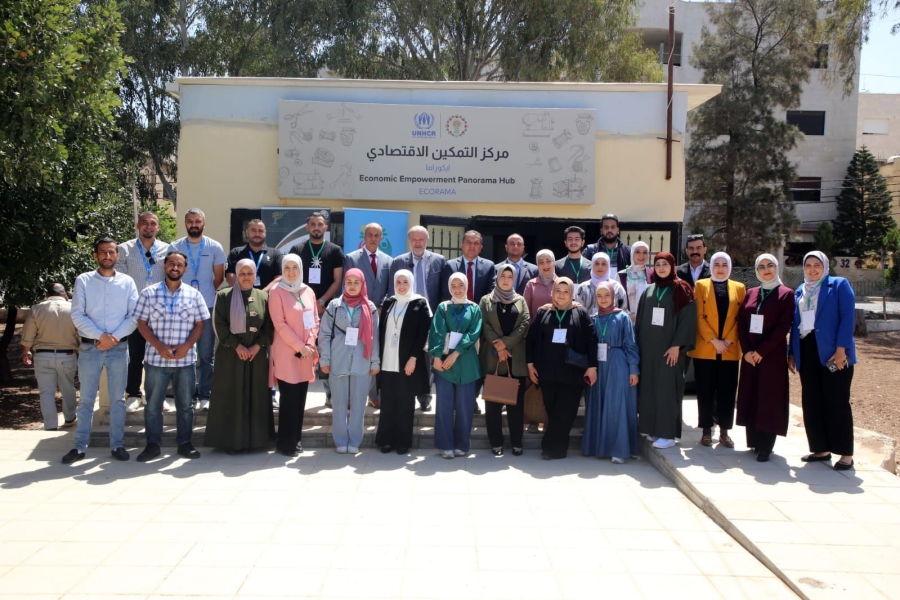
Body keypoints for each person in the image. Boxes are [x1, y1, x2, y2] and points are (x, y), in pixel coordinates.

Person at [62, 238, 139, 464]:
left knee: (118, 400)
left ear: (117, 255)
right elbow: (78, 314)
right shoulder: (84, 280)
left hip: (119, 347)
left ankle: (117, 445)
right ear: (95, 255)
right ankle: (79, 447)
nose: (107, 256)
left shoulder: (127, 282)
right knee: (86, 400)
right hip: (90, 348)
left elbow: (134, 315)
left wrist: (112, 338)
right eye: (103, 252)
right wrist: (100, 336)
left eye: (111, 252)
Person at [134, 251, 208, 462]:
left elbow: (200, 324)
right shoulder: (148, 293)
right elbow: (141, 323)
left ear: (185, 268)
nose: (175, 267)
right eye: (172, 263)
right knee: (153, 406)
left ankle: (185, 443)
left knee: (185, 406)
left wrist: (187, 346)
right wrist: (158, 345)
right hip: (156, 360)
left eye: (180, 264)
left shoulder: (194, 295)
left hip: (185, 361)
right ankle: (153, 445)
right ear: (164, 266)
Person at [788, 251, 857, 471]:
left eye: (817, 265)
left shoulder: (839, 285)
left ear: (825, 266)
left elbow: (848, 317)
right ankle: (821, 449)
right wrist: (792, 352)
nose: (812, 269)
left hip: (833, 352)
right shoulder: (801, 290)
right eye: (808, 265)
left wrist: (841, 349)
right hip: (807, 350)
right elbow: (795, 324)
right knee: (812, 400)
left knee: (837, 401)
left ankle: (846, 454)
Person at [204, 259, 275, 453]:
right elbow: (219, 324)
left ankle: (256, 441)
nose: (246, 277)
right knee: (231, 396)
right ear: (236, 275)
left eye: (249, 273)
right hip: (230, 356)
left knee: (255, 396)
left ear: (255, 275)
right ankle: (230, 442)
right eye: (242, 273)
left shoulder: (264, 297)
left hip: (256, 356)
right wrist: (237, 346)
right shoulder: (223, 295)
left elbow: (269, 326)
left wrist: (257, 346)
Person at [526, 277, 598, 459]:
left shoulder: (580, 312)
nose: (562, 295)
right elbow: (532, 340)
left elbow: (591, 340)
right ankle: (558, 447)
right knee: (552, 409)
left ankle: (551, 448)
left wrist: (592, 366)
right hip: (547, 372)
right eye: (558, 291)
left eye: (566, 292)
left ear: (571, 293)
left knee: (565, 412)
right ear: (552, 292)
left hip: (572, 373)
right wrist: (530, 364)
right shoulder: (543, 312)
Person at [736, 254, 795, 462]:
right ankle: (753, 441)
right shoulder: (751, 292)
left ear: (776, 267)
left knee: (769, 398)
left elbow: (783, 327)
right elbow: (741, 323)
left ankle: (765, 445)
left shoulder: (786, 294)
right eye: (761, 266)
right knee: (751, 394)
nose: (766, 270)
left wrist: (762, 351)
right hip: (750, 356)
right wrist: (746, 351)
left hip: (771, 356)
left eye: (770, 265)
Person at [635, 251, 696, 450]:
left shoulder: (682, 288)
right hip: (649, 350)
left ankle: (667, 434)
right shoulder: (649, 290)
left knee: (667, 390)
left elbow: (688, 320)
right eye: (658, 264)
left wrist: (677, 345)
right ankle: (653, 428)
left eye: (665, 264)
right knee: (650, 389)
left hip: (670, 351)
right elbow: (640, 320)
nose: (661, 268)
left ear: (673, 266)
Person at [170, 208, 227, 412]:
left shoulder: (214, 246)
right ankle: (187, 394)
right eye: (190, 221)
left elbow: (219, 278)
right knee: (183, 352)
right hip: (181, 307)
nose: (194, 224)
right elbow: (170, 273)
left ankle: (205, 394)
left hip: (207, 306)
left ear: (204, 223)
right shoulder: (175, 246)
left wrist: (205, 292)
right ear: (185, 223)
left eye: (198, 221)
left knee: (205, 354)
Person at [318, 268, 380, 454]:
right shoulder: (334, 306)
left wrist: (375, 362)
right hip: (338, 361)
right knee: (338, 404)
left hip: (362, 362)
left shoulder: (370, 307)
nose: (352, 286)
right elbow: (324, 334)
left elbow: (375, 337)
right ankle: (340, 440)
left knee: (359, 405)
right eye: (349, 282)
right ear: (344, 284)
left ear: (362, 284)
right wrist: (325, 359)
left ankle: (354, 440)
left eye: (356, 282)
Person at [688, 252, 746, 449]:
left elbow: (741, 317)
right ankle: (706, 430)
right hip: (706, 348)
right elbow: (698, 316)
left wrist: (727, 340)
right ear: (711, 266)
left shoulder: (739, 288)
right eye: (717, 264)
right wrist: (714, 340)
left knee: (727, 392)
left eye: (724, 265)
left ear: (729, 267)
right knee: (705, 390)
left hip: (729, 348)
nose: (720, 268)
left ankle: (724, 432)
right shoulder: (700, 285)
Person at [116, 211, 171, 414]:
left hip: (159, 313)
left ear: (158, 227)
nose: (149, 227)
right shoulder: (124, 249)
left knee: (158, 356)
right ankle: (133, 394)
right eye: (144, 223)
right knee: (135, 356)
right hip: (134, 312)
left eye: (153, 223)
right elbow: (119, 281)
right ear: (138, 225)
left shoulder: (168, 249)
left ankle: (157, 395)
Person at [388, 225, 446, 412]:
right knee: (406, 354)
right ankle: (405, 394)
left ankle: (425, 396)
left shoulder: (439, 261)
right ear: (409, 241)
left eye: (421, 239)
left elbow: (443, 290)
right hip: (405, 316)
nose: (418, 243)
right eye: (414, 239)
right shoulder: (398, 262)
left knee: (426, 356)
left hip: (430, 315)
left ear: (427, 240)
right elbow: (392, 290)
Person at [289, 211, 344, 408]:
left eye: (320, 224)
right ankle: (297, 391)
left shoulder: (335, 250)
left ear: (325, 227)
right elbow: (291, 278)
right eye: (312, 224)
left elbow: (338, 280)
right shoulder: (297, 249)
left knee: (326, 351)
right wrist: (305, 302)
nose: (316, 228)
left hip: (326, 309)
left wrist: (322, 300)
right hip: (302, 309)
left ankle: (329, 393)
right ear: (307, 227)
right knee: (300, 348)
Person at [582, 282, 640, 463]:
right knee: (598, 403)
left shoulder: (623, 317)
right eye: (599, 296)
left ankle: (619, 450)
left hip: (618, 363)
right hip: (597, 366)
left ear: (614, 296)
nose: (603, 299)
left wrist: (633, 369)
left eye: (607, 295)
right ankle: (597, 446)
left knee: (616, 406)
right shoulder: (593, 318)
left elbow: (631, 344)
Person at [268, 254, 319, 457]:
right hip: (287, 353)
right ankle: (285, 443)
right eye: (287, 268)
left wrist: (310, 343)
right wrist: (300, 346)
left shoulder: (308, 291)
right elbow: (279, 324)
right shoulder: (276, 291)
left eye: (294, 267)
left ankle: (296, 440)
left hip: (305, 353)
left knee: (300, 399)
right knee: (289, 400)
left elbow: (315, 320)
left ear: (300, 269)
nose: (291, 272)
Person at [376, 270, 432, 454]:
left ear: (411, 283)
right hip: (387, 360)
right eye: (398, 282)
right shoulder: (389, 302)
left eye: (405, 282)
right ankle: (385, 440)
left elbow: (422, 333)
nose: (401, 286)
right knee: (387, 402)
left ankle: (402, 442)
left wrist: (413, 358)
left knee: (405, 403)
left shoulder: (419, 303)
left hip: (407, 361)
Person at [429, 273, 483, 459]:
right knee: (444, 405)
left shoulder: (474, 308)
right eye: (454, 285)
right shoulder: (443, 307)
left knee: (465, 406)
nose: (457, 289)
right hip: (444, 363)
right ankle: (445, 445)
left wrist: (456, 353)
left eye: (461, 285)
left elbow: (473, 333)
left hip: (466, 362)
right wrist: (436, 356)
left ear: (467, 286)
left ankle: (462, 444)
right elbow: (436, 332)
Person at [479, 264, 530, 456]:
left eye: (510, 276)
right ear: (497, 278)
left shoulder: (520, 300)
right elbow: (484, 324)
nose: (506, 280)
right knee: (493, 405)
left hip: (515, 360)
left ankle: (517, 442)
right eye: (503, 276)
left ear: (514, 279)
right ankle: (496, 442)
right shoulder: (486, 300)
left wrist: (505, 344)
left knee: (515, 405)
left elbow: (524, 323)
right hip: (492, 359)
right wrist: (498, 346)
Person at [344, 222, 392, 408]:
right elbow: (347, 286)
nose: (373, 238)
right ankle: (351, 395)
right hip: (356, 313)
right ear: (364, 237)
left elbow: (390, 288)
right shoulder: (352, 258)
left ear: (381, 238)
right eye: (370, 235)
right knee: (355, 352)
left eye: (376, 235)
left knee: (374, 353)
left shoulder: (388, 260)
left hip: (379, 314)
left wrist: (381, 306)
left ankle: (373, 395)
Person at [21, 283, 80, 431]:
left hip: (43, 355)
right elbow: (80, 333)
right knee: (68, 388)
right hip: (67, 354)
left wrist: (26, 352)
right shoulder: (74, 309)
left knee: (46, 392)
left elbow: (28, 334)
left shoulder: (37, 308)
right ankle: (69, 417)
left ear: (47, 295)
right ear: (64, 294)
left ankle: (50, 425)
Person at [225, 218, 283, 291]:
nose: (257, 234)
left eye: (260, 231)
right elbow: (230, 275)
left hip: (267, 296)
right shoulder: (236, 252)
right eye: (253, 230)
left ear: (265, 233)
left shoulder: (275, 254)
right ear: (247, 232)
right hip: (241, 296)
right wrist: (243, 292)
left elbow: (279, 277)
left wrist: (262, 294)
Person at [440, 230, 496, 303]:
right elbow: (446, 292)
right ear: (462, 245)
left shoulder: (489, 266)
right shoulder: (450, 266)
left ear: (480, 248)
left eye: (476, 243)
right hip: (455, 308)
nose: (472, 246)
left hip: (480, 308)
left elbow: (490, 293)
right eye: (468, 242)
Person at [618, 241, 653, 319]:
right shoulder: (621, 275)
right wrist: (627, 314)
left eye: (645, 252)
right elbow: (616, 299)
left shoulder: (652, 274)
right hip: (625, 319)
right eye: (637, 252)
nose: (641, 256)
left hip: (646, 319)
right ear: (632, 253)